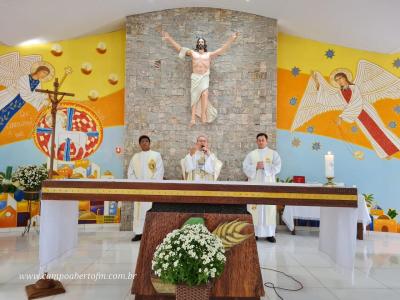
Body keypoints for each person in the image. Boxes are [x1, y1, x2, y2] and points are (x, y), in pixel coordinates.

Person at [162, 31, 239, 126]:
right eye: (199, 42)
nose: (200, 43)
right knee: (194, 96)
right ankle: (193, 119)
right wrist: (169, 38)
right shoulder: (192, 53)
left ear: (204, 44)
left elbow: (221, 50)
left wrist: (231, 39)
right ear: (197, 44)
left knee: (205, 93)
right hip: (195, 77)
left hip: (204, 77)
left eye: (202, 42)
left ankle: (203, 115)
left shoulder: (209, 55)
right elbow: (180, 49)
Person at [243, 133, 281, 243]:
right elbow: (245, 167)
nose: (261, 142)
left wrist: (265, 166)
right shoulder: (251, 154)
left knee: (268, 208)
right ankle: (254, 233)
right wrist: (255, 166)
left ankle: (270, 234)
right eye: (259, 140)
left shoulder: (273, 154)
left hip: (268, 186)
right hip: (255, 186)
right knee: (255, 208)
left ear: (266, 141)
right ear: (256, 141)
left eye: (262, 140)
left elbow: (278, 167)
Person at [127, 135, 164, 241]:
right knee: (138, 211)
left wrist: (152, 184)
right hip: (138, 189)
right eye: (142, 141)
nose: (145, 143)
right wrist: (135, 184)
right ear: (140, 144)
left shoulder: (156, 155)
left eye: (146, 141)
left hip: (151, 188)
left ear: (149, 143)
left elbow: (159, 171)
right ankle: (139, 233)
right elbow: (130, 172)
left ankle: (151, 233)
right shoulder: (135, 157)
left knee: (150, 210)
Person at [0, 62, 53, 132]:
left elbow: (36, 94)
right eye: (44, 72)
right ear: (38, 70)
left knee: (7, 116)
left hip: (20, 102)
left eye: (46, 74)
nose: (44, 75)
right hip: (12, 98)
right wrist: (44, 95)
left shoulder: (38, 82)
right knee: (3, 112)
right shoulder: (25, 78)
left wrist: (46, 95)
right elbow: (26, 93)